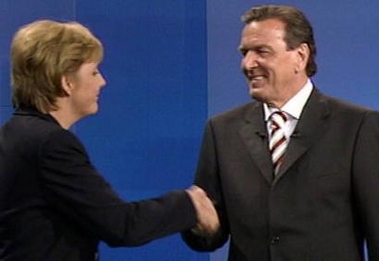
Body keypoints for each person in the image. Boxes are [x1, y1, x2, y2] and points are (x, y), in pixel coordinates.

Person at [0, 19, 219, 261]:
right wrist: (189, 203)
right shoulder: (51, 144)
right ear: (67, 82)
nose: (102, 81)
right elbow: (121, 225)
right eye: (93, 71)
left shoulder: (15, 133)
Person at [182, 4, 379, 260]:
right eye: (244, 53)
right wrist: (200, 224)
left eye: (261, 52)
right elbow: (209, 233)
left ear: (300, 56)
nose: (248, 64)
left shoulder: (357, 126)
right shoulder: (222, 131)